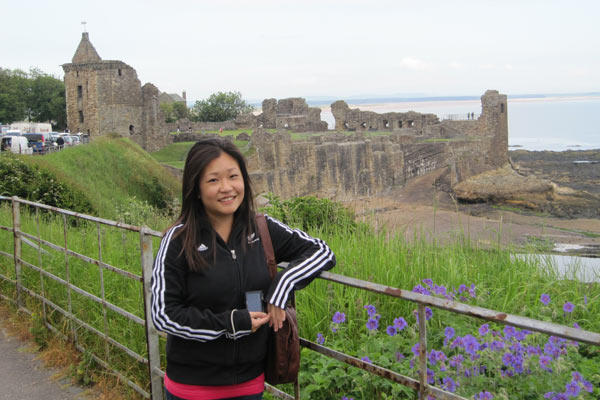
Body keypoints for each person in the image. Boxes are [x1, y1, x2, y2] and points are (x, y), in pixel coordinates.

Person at [151, 138, 336, 400]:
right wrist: (231, 323)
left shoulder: (260, 229)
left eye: (233, 177)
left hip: (249, 384)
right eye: (213, 180)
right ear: (196, 187)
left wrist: (281, 289)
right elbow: (163, 315)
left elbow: (322, 251)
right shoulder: (179, 240)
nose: (227, 188)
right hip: (192, 387)